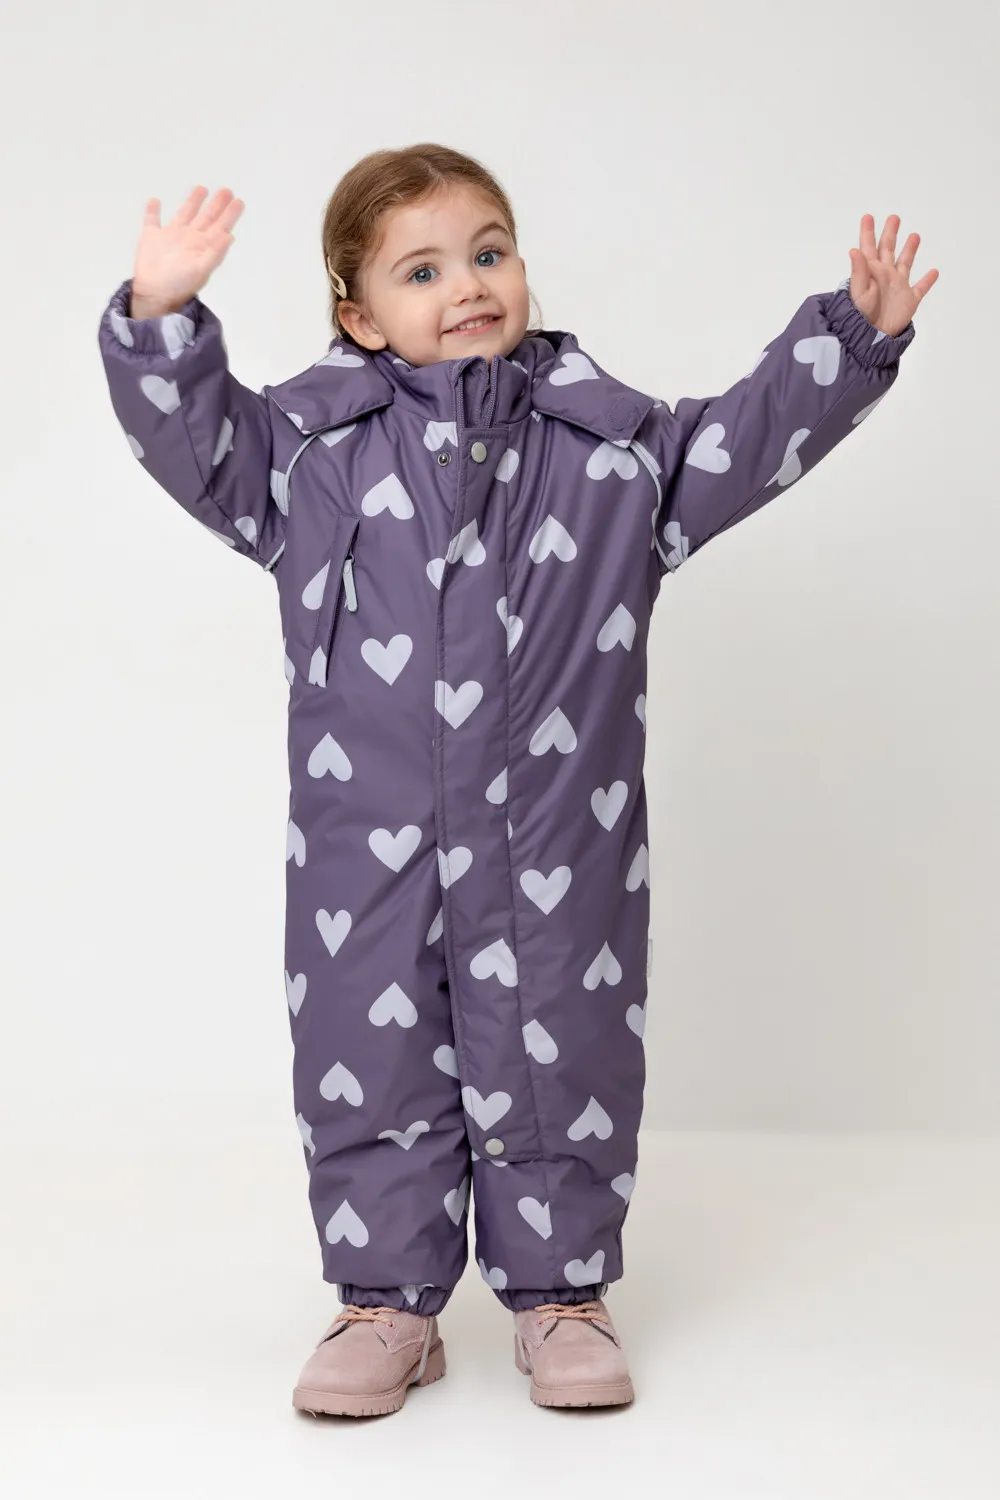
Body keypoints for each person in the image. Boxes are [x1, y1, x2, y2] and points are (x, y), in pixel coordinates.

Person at [96, 143, 937, 1418]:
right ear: (356, 315)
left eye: (488, 253)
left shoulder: (611, 453)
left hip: (556, 838)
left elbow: (741, 441)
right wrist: (161, 316)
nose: (468, 285)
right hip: (363, 847)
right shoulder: (308, 459)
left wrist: (851, 338)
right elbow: (194, 443)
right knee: (367, 1047)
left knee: (561, 1048)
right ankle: (386, 1302)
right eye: (422, 270)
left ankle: (560, 1294)